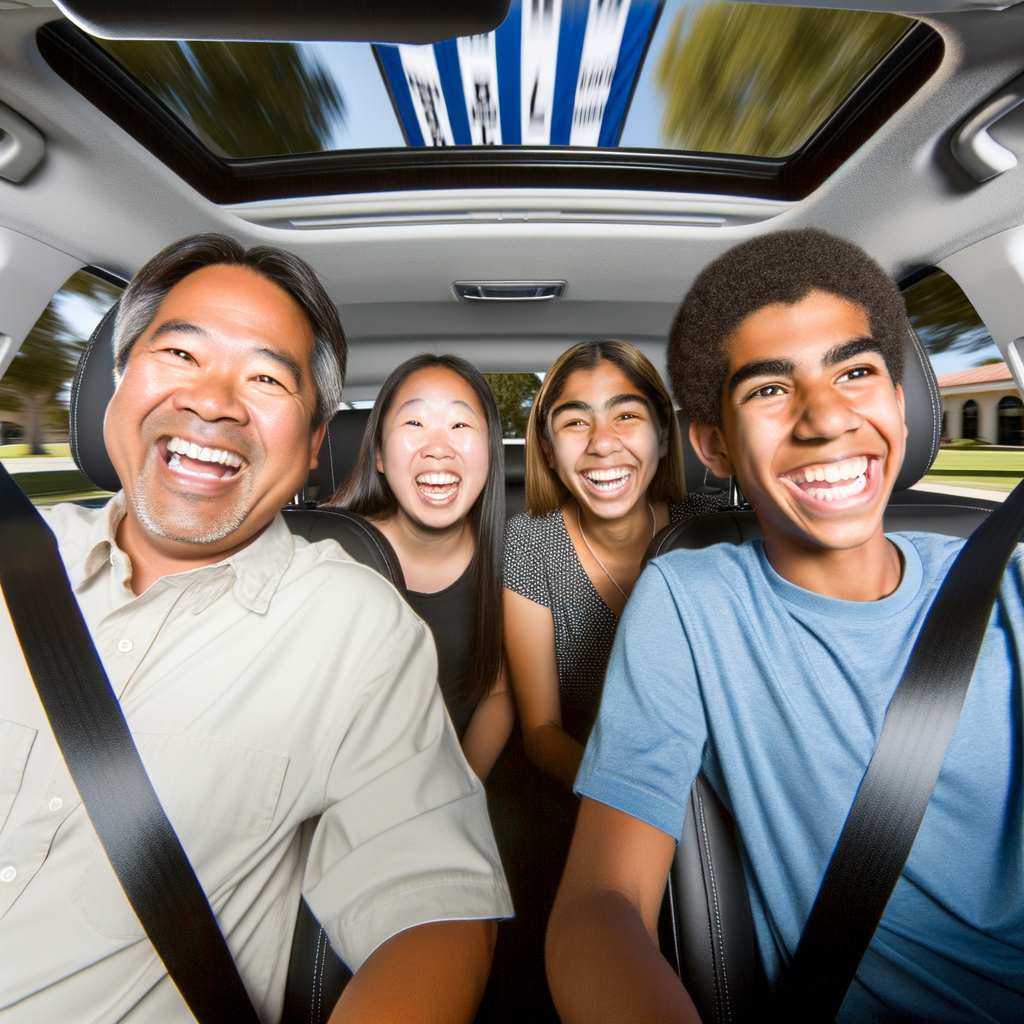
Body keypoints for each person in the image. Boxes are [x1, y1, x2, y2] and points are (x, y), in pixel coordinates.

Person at [0, 234, 512, 1024]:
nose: (212, 401)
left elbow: (432, 909)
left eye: (267, 376)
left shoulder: (357, 626)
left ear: (315, 446)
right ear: (116, 384)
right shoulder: (15, 552)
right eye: (179, 354)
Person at [546, 229, 1023, 1023]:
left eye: (857, 372)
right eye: (769, 390)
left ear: (900, 404)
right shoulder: (690, 598)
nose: (826, 418)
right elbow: (602, 899)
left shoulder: (1006, 578)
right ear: (714, 445)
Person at [497, 339, 721, 1022]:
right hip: (584, 790)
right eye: (573, 421)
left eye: (624, 417)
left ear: (662, 432)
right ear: (547, 445)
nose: (600, 444)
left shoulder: (712, 536)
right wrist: (645, 812)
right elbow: (538, 731)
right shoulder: (530, 541)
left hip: (712, 797)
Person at [326, 354, 513, 781]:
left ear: (490, 452)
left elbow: (498, 692)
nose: (438, 448)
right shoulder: (327, 553)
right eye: (414, 424)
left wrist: (460, 795)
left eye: (460, 426)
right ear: (377, 455)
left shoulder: (511, 557)